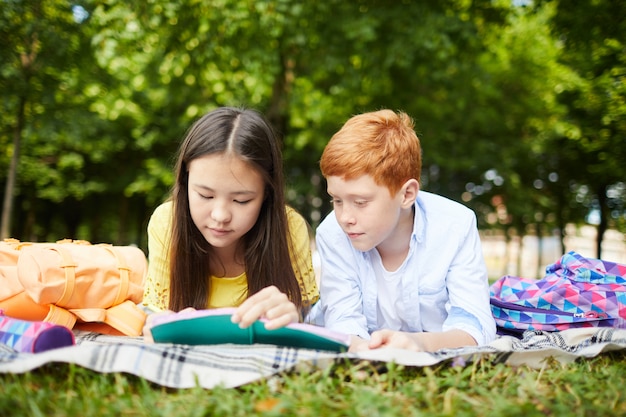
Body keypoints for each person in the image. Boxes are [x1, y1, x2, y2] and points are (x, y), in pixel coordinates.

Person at [316, 109, 496, 352]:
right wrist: (366, 351)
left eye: (360, 202)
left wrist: (417, 343)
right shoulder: (332, 233)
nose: (345, 217)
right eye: (336, 201)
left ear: (407, 194)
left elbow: (475, 327)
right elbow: (342, 322)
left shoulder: (455, 226)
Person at [142, 107, 319, 330]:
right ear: (185, 181)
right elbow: (152, 314)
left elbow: (311, 315)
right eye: (205, 195)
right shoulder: (167, 222)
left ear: (267, 194)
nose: (220, 216)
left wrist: (293, 316)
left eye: (241, 200)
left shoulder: (289, 228)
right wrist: (160, 322)